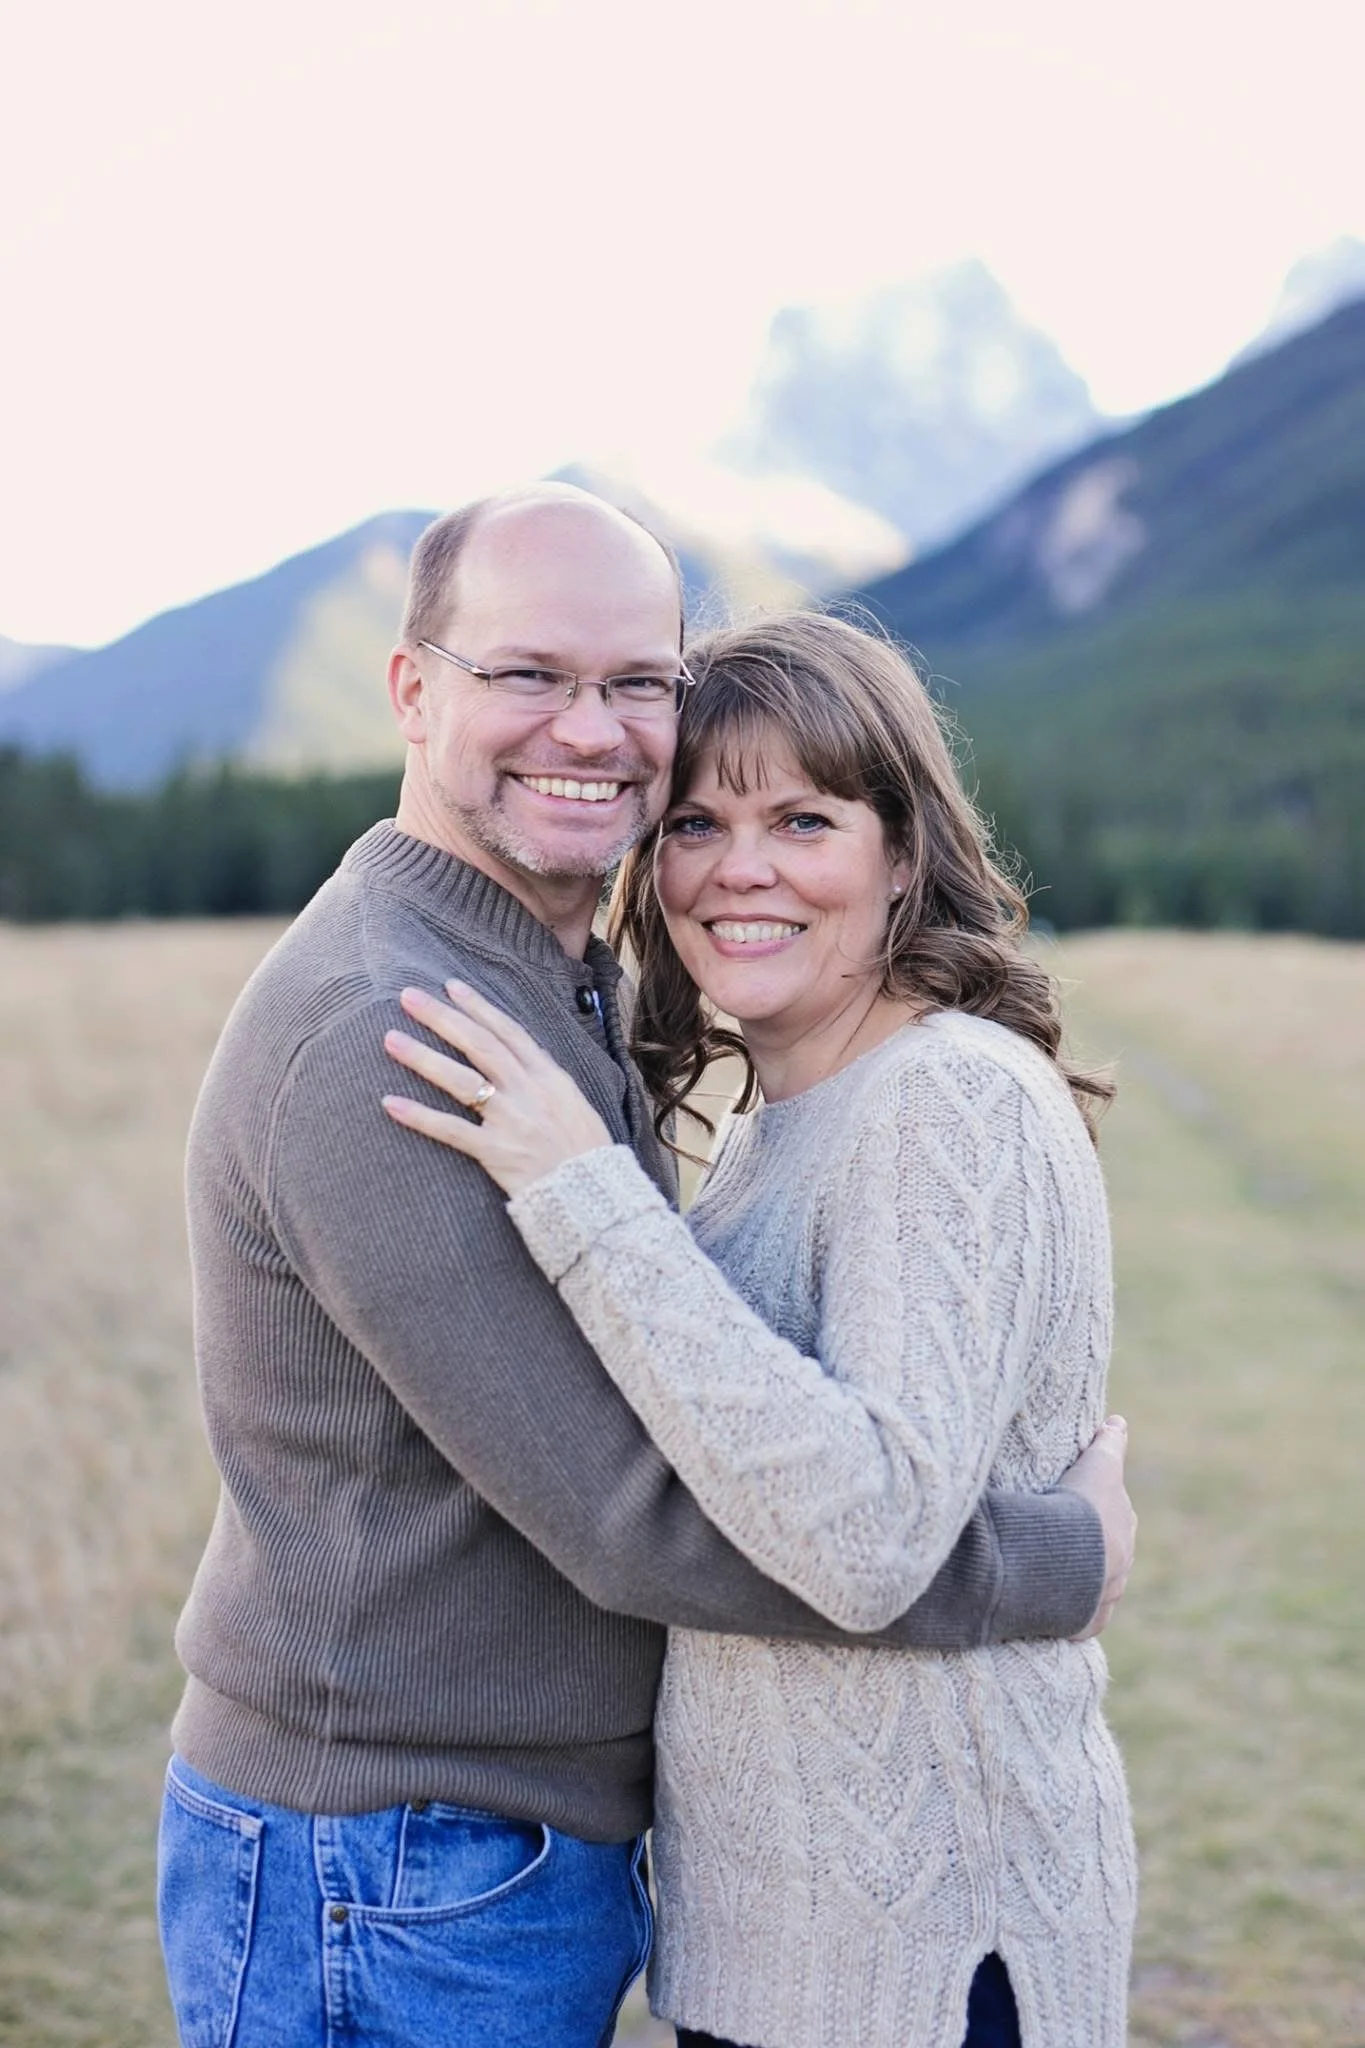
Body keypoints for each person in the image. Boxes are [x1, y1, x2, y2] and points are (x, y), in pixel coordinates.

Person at [159, 486, 1133, 2048]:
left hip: (485, 1858)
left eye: (634, 685)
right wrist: (1046, 1564)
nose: (589, 729)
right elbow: (637, 1514)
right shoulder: (390, 1031)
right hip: (397, 1854)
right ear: (415, 691)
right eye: (528, 675)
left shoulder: (541, 979)